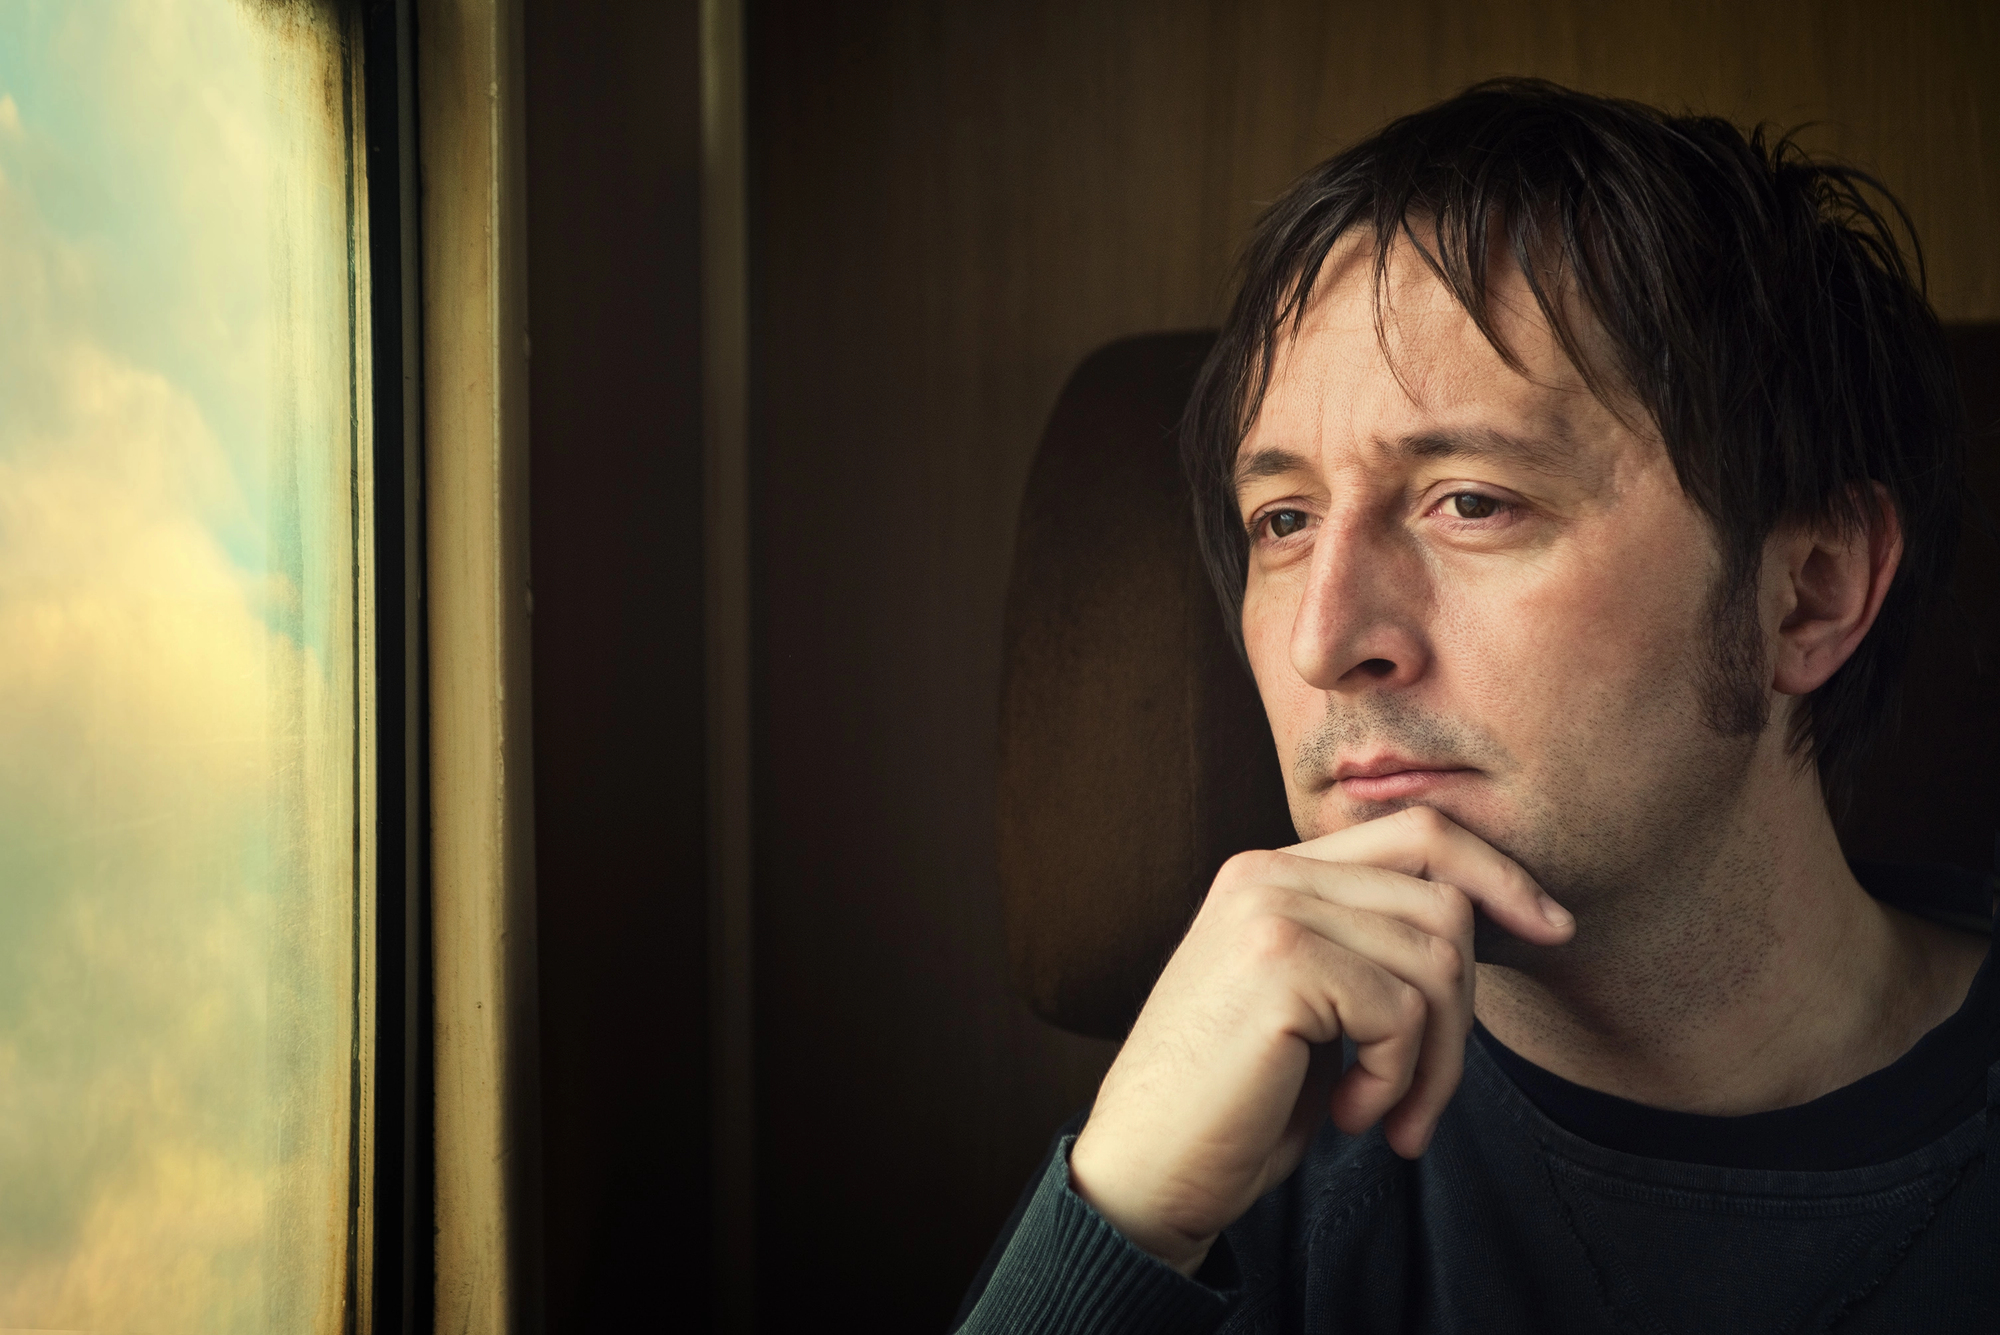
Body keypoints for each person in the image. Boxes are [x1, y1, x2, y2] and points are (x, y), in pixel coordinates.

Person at [953, 79, 1998, 1333]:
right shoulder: (1199, 1168)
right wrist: (1113, 1227)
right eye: (1279, 522)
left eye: (1471, 502)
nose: (1323, 640)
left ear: (1806, 592)